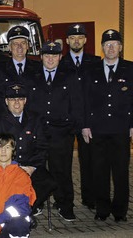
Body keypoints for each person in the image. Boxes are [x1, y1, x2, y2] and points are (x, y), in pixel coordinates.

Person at [29, 41, 84, 221]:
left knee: (62, 170)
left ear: (60, 57)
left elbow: (77, 104)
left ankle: (65, 204)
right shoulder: (32, 76)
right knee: (37, 169)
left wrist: (74, 129)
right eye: (47, 55)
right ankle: (36, 202)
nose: (50, 59)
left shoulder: (69, 76)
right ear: (41, 57)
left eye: (54, 56)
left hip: (62, 132)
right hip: (38, 132)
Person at [83, 29, 133, 222]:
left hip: (121, 129)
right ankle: (102, 209)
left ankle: (120, 211)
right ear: (102, 47)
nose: (111, 48)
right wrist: (85, 125)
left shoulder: (130, 69)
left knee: (121, 171)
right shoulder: (92, 70)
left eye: (114, 44)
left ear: (120, 47)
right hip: (98, 129)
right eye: (107, 44)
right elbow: (85, 100)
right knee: (99, 171)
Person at [0, 84, 56, 216]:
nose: (16, 103)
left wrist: (31, 167)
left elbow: (42, 146)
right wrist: (14, 167)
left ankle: (25, 211)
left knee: (49, 183)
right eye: (12, 99)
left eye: (20, 99)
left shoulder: (36, 119)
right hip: (8, 166)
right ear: (6, 101)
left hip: (31, 165)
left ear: (25, 101)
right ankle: (19, 213)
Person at [59, 23, 101, 210]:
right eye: (72, 38)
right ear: (67, 41)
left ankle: (89, 198)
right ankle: (65, 200)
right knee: (64, 162)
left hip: (88, 120)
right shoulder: (60, 63)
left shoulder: (95, 63)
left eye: (80, 37)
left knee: (89, 161)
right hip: (67, 120)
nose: (76, 41)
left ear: (85, 40)